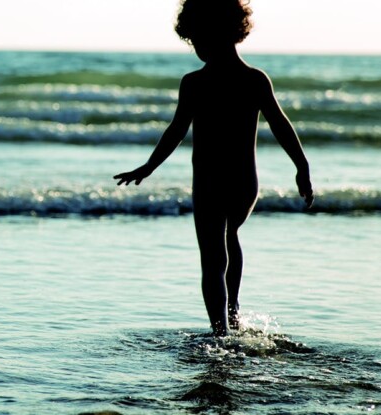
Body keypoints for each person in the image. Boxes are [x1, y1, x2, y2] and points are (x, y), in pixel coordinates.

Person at [113, 0, 313, 336]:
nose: (196, 48)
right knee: (229, 238)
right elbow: (281, 125)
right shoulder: (254, 79)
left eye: (197, 40)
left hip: (208, 181)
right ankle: (233, 316)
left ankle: (220, 333)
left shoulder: (195, 83)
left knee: (212, 257)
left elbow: (176, 131)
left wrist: (149, 167)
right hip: (245, 183)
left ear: (217, 34)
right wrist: (301, 167)